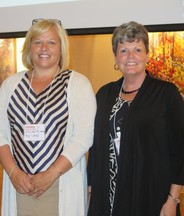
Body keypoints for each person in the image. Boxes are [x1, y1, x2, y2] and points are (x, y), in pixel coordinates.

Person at [0, 18, 96, 216]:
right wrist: (14, 173)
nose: (43, 48)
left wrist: (50, 175)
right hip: (19, 184)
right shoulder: (11, 84)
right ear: (29, 47)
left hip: (59, 184)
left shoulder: (78, 84)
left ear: (61, 47)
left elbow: (83, 137)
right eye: (37, 41)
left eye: (51, 42)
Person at [87, 21, 184, 216]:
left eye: (137, 49)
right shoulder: (104, 94)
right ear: (115, 56)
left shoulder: (167, 94)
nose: (130, 56)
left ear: (147, 54)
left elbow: (180, 150)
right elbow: (96, 149)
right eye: (123, 50)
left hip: (151, 196)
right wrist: (91, 191)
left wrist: (172, 199)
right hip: (108, 195)